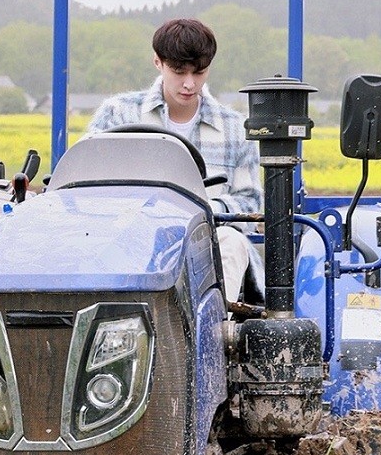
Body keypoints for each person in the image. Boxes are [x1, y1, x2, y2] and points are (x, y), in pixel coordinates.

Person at [84, 18, 261, 304]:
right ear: (158, 62)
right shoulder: (118, 114)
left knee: (233, 242)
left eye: (199, 72)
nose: (189, 83)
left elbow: (250, 204)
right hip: (131, 236)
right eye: (178, 71)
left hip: (206, 239)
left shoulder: (234, 129)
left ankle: (211, 335)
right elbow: (87, 183)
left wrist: (200, 213)